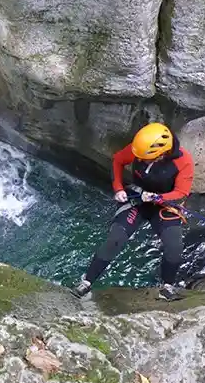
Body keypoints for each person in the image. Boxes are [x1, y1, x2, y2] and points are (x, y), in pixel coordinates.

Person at [70, 122, 194, 301]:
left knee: (174, 246)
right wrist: (118, 188)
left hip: (164, 204)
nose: (140, 160)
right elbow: (118, 160)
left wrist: (157, 198)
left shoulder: (183, 161)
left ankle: (167, 287)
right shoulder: (141, 148)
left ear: (161, 154)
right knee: (116, 238)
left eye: (145, 158)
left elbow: (181, 192)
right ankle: (86, 282)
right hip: (136, 199)